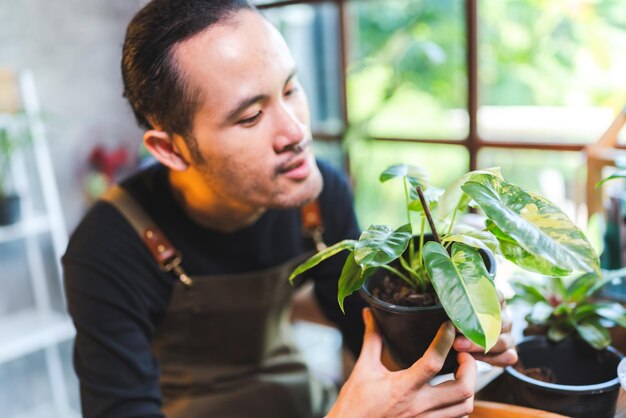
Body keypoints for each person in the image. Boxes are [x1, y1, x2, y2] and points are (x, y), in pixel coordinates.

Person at [63, 1, 517, 417]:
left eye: (290, 87)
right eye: (250, 117)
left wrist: (449, 331)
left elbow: (363, 332)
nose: (296, 131)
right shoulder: (108, 248)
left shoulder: (317, 195)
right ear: (171, 149)